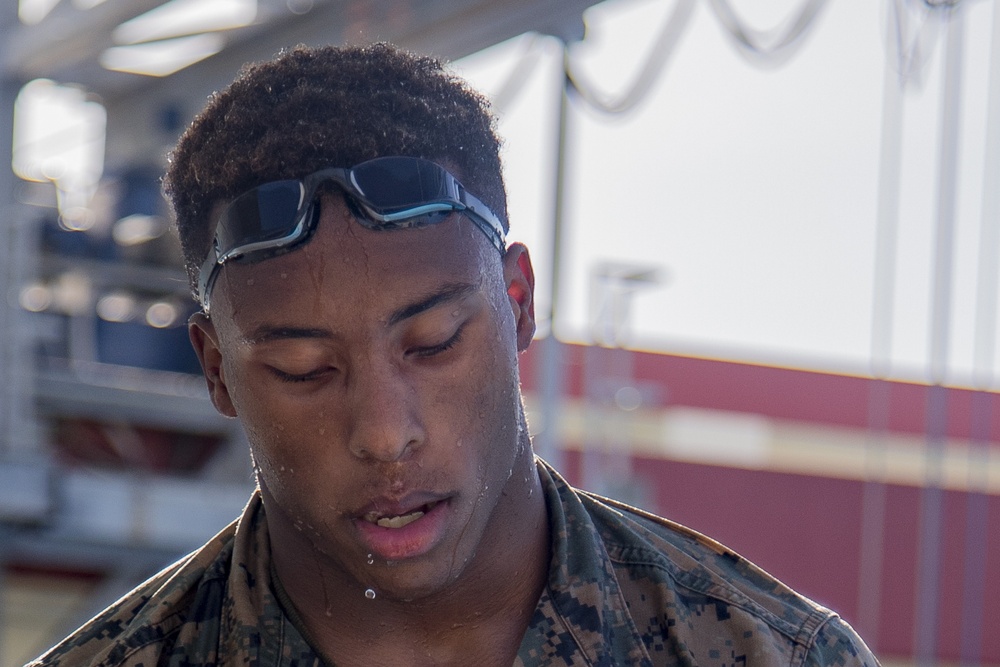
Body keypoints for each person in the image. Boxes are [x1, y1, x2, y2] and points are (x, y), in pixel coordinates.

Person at [28, 43, 880, 667]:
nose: (384, 432)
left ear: (517, 302)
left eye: (433, 342)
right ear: (216, 369)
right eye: (304, 369)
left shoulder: (773, 654)